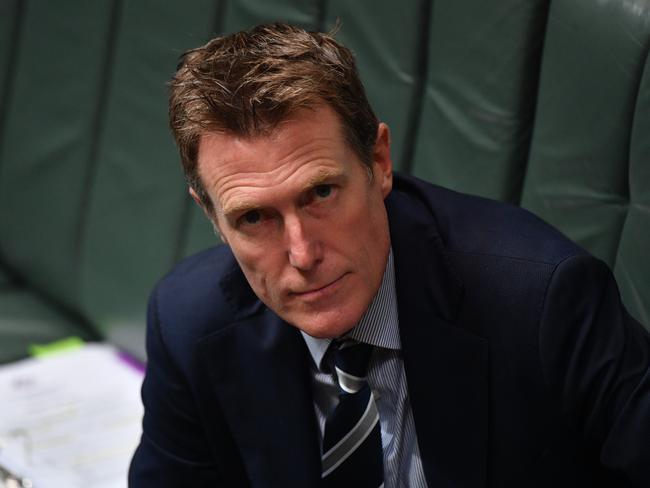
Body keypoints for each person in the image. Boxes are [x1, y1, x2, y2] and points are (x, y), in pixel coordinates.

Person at [128, 23, 650, 487]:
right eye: (253, 218)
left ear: (379, 162)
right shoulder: (188, 322)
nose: (303, 253)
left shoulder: (542, 299)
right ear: (212, 217)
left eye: (322, 193)